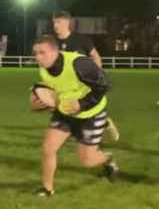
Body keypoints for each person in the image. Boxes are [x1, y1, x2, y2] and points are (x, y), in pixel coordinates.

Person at [31, 35, 119, 197]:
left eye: (42, 53)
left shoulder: (79, 64)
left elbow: (105, 85)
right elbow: (53, 93)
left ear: (55, 51)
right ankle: (47, 188)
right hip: (65, 113)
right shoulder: (43, 70)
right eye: (35, 53)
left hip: (91, 114)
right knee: (48, 148)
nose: (37, 57)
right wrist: (38, 104)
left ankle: (109, 159)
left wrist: (82, 104)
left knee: (87, 160)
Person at [52, 11, 119, 141]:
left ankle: (102, 124)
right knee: (65, 108)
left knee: (80, 109)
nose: (55, 25)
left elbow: (95, 56)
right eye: (54, 22)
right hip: (63, 84)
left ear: (67, 23)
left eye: (58, 22)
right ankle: (95, 126)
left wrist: (97, 74)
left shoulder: (82, 40)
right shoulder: (52, 42)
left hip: (82, 83)